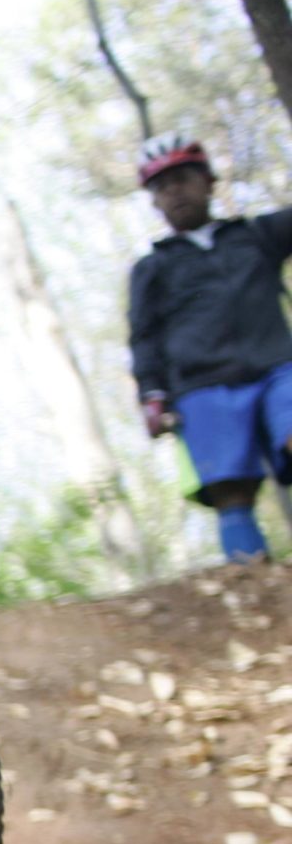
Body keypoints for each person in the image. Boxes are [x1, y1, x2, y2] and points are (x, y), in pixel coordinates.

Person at [128, 131, 290, 565]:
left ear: (208, 182)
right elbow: (143, 337)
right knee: (230, 489)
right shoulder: (152, 269)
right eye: (162, 186)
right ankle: (256, 589)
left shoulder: (257, 235)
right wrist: (151, 395)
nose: (175, 191)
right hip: (200, 386)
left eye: (182, 178)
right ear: (154, 202)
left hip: (278, 367)